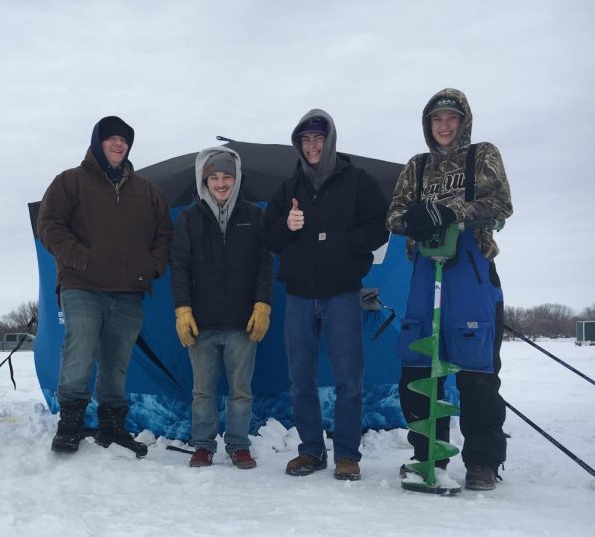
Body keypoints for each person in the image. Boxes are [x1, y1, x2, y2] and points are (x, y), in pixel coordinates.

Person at [386, 88, 513, 490]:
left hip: (471, 269)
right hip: (425, 268)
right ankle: (427, 455)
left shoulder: (483, 156)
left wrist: (451, 211)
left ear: (463, 122)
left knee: (476, 366)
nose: (443, 126)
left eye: (451, 119)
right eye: (436, 119)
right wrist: (415, 220)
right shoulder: (416, 166)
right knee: (418, 361)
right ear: (428, 125)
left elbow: (501, 203)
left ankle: (482, 462)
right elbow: (394, 214)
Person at [263, 110, 389, 481]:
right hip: (300, 296)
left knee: (349, 379)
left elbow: (380, 225)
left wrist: (347, 245)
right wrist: (286, 226)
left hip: (342, 294)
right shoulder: (288, 190)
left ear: (329, 141)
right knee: (300, 379)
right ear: (298, 145)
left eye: (318, 139)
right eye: (306, 141)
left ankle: (347, 454)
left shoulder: (357, 182)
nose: (313, 147)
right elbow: (268, 238)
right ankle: (311, 450)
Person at [37, 115, 172, 456]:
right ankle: (70, 422)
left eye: (124, 141)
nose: (118, 145)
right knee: (79, 352)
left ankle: (112, 426)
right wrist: (80, 258)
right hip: (82, 286)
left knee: (117, 361)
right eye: (111, 139)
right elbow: (50, 224)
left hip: (128, 291)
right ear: (98, 143)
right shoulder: (70, 182)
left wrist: (151, 267)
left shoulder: (147, 191)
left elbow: (164, 234)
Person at [170, 147, 273, 469]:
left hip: (243, 323)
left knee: (241, 391)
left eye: (227, 176)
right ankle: (203, 445)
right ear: (205, 180)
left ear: (236, 178)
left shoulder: (255, 216)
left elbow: (264, 265)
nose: (221, 182)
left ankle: (238, 445)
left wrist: (262, 304)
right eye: (214, 176)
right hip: (201, 323)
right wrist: (183, 310)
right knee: (203, 391)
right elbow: (179, 267)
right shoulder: (189, 218)